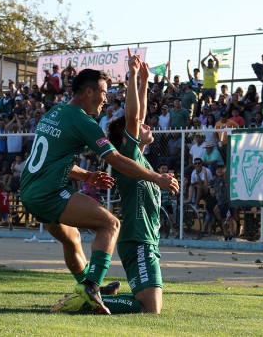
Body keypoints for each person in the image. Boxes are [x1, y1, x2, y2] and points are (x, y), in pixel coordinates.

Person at [20, 66, 179, 315]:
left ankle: (87, 286)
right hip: (49, 194)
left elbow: (52, 160)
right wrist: (158, 178)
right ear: (89, 91)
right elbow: (118, 150)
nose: (106, 98)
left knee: (72, 240)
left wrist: (87, 175)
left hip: (30, 189)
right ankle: (91, 287)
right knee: (110, 224)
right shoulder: (85, 122)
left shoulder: (55, 112)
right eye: (103, 92)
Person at [106, 52, 169, 313]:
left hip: (146, 240)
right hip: (137, 239)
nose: (147, 126)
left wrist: (144, 81)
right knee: (149, 309)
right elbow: (133, 118)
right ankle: (91, 298)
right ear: (125, 138)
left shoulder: (140, 159)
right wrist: (132, 76)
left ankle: (96, 295)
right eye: (140, 127)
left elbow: (137, 116)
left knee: (149, 307)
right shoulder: (126, 155)